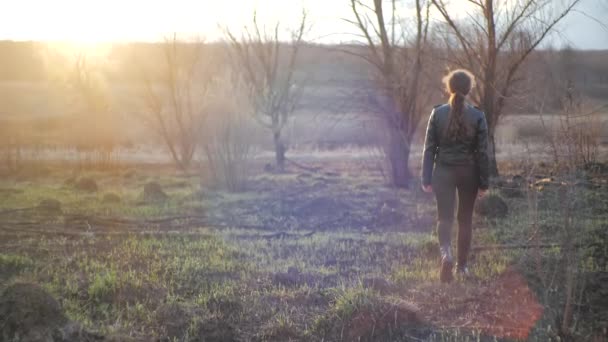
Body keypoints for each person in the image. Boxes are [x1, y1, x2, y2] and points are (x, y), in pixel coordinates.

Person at [421, 69, 489, 283]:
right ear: (469, 90)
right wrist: (484, 182)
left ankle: (446, 255)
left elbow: (429, 148)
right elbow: (483, 153)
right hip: (468, 173)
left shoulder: (437, 113)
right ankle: (462, 267)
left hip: (443, 172)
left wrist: (426, 178)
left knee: (444, 217)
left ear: (449, 88)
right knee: (465, 220)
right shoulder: (478, 116)